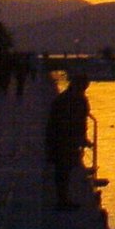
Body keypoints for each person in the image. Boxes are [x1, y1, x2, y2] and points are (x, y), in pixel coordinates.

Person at [45, 74, 90, 210]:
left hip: (63, 139)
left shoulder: (67, 98)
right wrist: (81, 138)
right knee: (63, 169)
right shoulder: (73, 100)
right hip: (64, 139)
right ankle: (63, 200)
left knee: (64, 169)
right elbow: (77, 122)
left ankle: (63, 198)